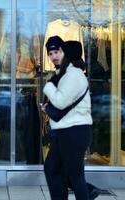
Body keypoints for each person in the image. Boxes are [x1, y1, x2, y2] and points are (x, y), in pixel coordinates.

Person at [44, 36, 101, 200]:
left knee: (75, 176)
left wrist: (48, 86)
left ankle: (87, 194)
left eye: (59, 51)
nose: (55, 56)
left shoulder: (74, 75)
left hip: (74, 132)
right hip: (67, 131)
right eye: (51, 53)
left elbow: (61, 102)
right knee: (53, 169)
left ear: (66, 54)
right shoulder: (66, 74)